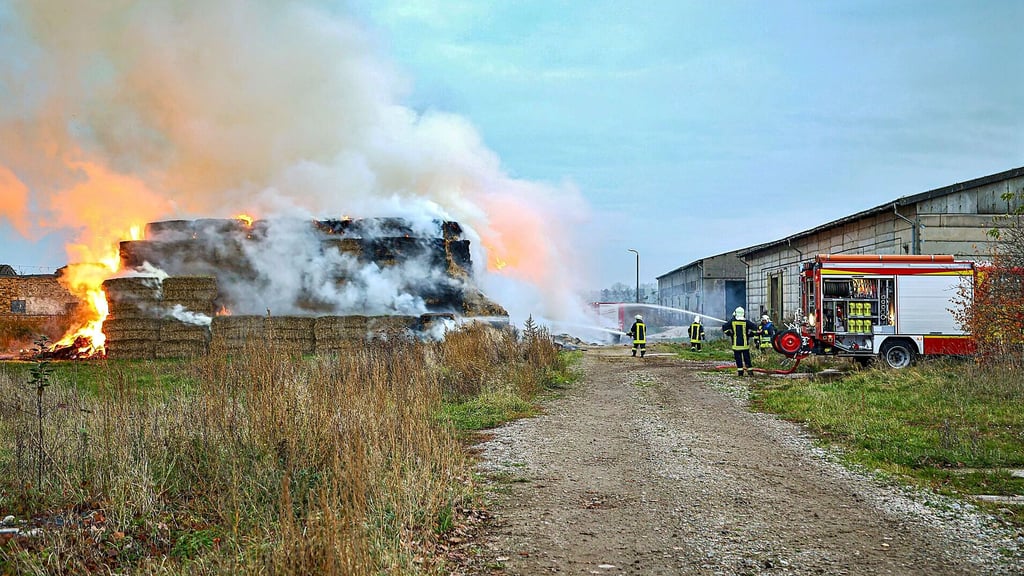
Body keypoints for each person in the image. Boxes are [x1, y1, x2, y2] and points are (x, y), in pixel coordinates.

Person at [722, 307, 758, 376]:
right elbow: (755, 328)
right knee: (747, 359)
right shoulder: (746, 322)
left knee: (738, 359)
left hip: (736, 345)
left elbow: (724, 327)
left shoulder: (732, 322)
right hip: (745, 345)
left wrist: (730, 334)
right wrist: (750, 335)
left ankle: (740, 373)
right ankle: (750, 372)